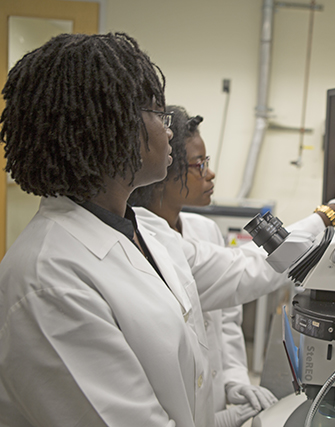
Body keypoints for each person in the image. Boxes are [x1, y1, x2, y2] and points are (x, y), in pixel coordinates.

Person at [0, 33, 217, 427]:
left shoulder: (134, 229)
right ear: (110, 127)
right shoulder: (48, 280)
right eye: (157, 114)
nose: (169, 131)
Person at [128, 106, 335, 427]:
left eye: (208, 162)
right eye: (199, 165)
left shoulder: (203, 230)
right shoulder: (148, 241)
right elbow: (250, 270)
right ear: (165, 173)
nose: (209, 173)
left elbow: (227, 319)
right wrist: (331, 211)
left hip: (214, 394)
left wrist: (235, 381)